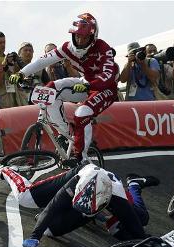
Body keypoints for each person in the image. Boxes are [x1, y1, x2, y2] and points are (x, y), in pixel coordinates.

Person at [10, 13, 118, 162]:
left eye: (84, 37)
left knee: (82, 113)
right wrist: (21, 73)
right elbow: (43, 61)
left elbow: (108, 76)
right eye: (77, 36)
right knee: (51, 88)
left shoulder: (103, 47)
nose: (79, 41)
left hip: (105, 89)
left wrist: (89, 85)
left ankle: (80, 156)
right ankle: (66, 135)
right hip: (84, 83)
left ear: (93, 37)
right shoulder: (68, 47)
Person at [0, 163, 159, 247]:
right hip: (81, 176)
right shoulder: (75, 183)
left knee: (139, 221)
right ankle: (5, 170)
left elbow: (138, 234)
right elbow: (54, 206)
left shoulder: (118, 200)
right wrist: (35, 236)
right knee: (26, 198)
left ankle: (134, 185)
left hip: (108, 194)